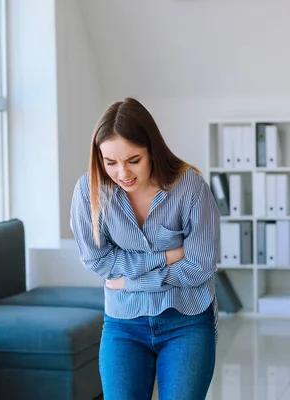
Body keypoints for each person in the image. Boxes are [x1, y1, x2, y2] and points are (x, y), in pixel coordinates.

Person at [70, 98, 219, 400]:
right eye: (110, 162)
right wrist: (167, 255)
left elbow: (200, 265)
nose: (122, 172)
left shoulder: (190, 187)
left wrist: (134, 281)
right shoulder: (89, 191)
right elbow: (98, 261)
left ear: (152, 149)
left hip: (186, 321)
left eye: (133, 160)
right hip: (123, 324)